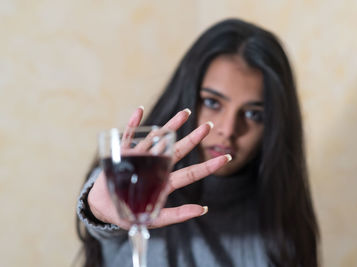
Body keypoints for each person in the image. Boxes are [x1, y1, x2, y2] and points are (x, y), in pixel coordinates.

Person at [76, 18, 320, 267]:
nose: (228, 130)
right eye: (213, 103)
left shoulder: (283, 216)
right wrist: (101, 209)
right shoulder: (140, 191)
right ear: (186, 97)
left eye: (253, 114)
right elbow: (104, 207)